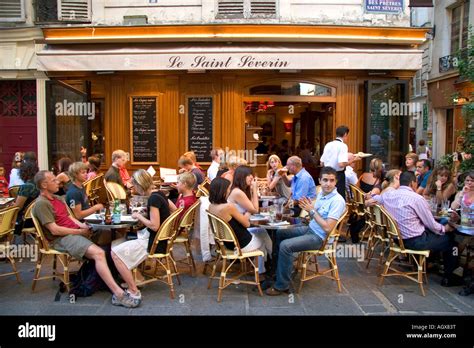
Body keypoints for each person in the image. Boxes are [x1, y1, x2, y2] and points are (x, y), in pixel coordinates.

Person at [32, 170, 138, 307]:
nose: (57, 181)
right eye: (53, 180)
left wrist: (83, 226)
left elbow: (70, 218)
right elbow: (55, 230)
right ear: (44, 185)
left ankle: (111, 276)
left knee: (115, 237)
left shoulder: (58, 199)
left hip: (74, 232)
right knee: (99, 253)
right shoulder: (42, 204)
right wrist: (80, 232)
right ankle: (118, 293)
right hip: (62, 238)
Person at [265, 166, 346, 295]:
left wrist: (311, 210)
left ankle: (282, 285)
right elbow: (313, 212)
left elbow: (327, 227)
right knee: (280, 232)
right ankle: (276, 271)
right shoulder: (321, 194)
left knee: (286, 246)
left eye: (331, 180)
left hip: (320, 238)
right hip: (310, 228)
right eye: (325, 180)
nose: (328, 184)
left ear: (336, 182)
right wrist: (308, 208)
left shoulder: (337, 201)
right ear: (320, 180)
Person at [378, 171, 463, 287]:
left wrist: (369, 198)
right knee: (451, 242)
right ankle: (448, 277)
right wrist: (445, 229)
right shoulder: (416, 199)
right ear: (413, 183)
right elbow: (431, 224)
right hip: (415, 241)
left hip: (397, 239)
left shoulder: (388, 195)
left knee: (435, 234)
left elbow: (376, 198)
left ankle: (428, 264)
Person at [111, 169, 171, 305]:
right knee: (116, 243)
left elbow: (155, 226)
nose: (134, 189)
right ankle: (136, 277)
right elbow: (173, 209)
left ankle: (134, 291)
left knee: (115, 253)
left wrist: (139, 216)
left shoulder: (153, 199)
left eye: (134, 186)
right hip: (159, 238)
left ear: (139, 185)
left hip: (153, 241)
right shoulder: (160, 193)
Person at [208, 177, 272, 274]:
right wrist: (249, 211)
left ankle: (266, 264)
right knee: (263, 239)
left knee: (261, 231)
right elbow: (246, 224)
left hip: (227, 244)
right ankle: (267, 266)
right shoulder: (228, 207)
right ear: (223, 191)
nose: (229, 191)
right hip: (241, 244)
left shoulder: (211, 206)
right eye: (228, 189)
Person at [227, 166, 273, 273]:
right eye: (249, 175)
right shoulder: (237, 192)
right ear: (242, 177)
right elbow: (255, 209)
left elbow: (251, 209)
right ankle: (270, 261)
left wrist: (250, 210)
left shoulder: (236, 190)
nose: (252, 177)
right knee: (262, 236)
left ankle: (269, 261)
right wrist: (255, 190)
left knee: (262, 231)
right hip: (237, 235)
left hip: (235, 231)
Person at [320, 125, 358, 200]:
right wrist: (354, 160)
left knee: (327, 197)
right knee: (338, 198)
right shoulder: (343, 146)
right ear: (345, 135)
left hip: (326, 174)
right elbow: (341, 164)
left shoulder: (328, 144)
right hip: (337, 175)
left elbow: (322, 163)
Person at [13, 160, 39, 235]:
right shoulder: (40, 183)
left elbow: (17, 208)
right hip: (37, 218)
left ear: (23, 172)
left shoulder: (27, 187)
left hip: (24, 221)